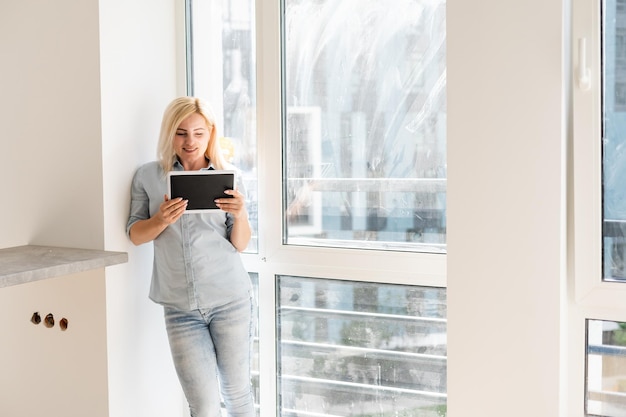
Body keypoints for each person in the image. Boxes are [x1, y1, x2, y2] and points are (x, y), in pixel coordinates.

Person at [126, 96, 256, 417]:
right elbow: (135, 233)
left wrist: (241, 215)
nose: (190, 142)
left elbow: (239, 244)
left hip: (230, 300)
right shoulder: (148, 177)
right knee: (204, 405)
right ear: (169, 133)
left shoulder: (229, 177)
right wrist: (161, 220)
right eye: (181, 132)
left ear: (210, 133)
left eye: (199, 133)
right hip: (180, 309)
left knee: (237, 394)